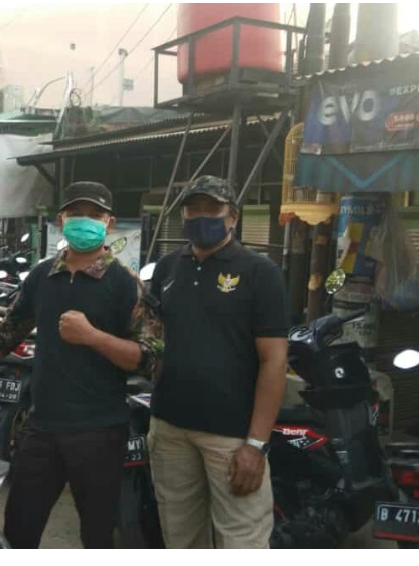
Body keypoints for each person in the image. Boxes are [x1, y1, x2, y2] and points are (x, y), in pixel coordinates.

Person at [0, 181, 163, 549]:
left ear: (109, 223)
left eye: (94, 215)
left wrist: (93, 337)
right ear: (61, 220)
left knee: (97, 534)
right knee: (19, 527)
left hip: (99, 431)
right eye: (76, 213)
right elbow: (8, 332)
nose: (85, 221)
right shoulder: (42, 275)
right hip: (42, 427)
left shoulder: (125, 284)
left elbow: (151, 360)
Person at [147, 175, 289, 549]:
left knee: (242, 542)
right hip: (170, 428)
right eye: (193, 209)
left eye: (213, 209)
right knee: (180, 539)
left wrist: (255, 444)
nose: (202, 216)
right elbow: (152, 341)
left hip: (231, 436)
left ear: (233, 217)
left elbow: (274, 361)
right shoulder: (167, 268)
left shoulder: (260, 272)